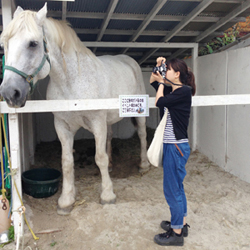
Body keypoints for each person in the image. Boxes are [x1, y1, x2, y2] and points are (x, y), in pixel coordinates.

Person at [150, 57, 196, 246]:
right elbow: (154, 79)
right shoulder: (173, 90)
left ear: (177, 74)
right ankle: (181, 224)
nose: (165, 72)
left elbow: (159, 102)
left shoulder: (184, 91)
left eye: (168, 69)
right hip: (174, 146)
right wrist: (159, 66)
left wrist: (162, 83)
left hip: (175, 146)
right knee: (177, 187)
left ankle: (176, 233)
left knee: (172, 189)